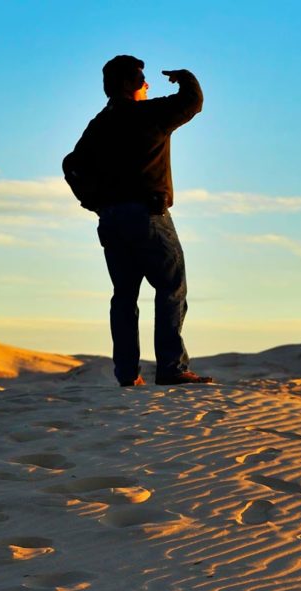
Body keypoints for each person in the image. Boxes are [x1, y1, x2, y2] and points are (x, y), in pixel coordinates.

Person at [63, 55, 212, 387]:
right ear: (132, 85)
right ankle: (171, 368)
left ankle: (128, 374)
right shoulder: (148, 115)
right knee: (171, 287)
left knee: (124, 296)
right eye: (143, 80)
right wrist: (185, 76)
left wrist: (93, 201)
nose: (148, 85)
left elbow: (71, 164)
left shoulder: (99, 124)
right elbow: (193, 102)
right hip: (147, 215)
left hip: (112, 220)